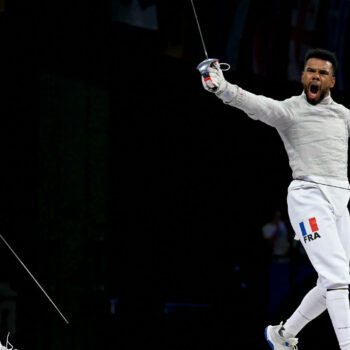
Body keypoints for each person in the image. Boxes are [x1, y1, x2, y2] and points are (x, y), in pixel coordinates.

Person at [200, 48, 350, 350]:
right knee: (336, 280)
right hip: (308, 198)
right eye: (311, 71)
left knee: (334, 280)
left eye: (322, 73)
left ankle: (281, 335)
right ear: (303, 75)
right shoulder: (290, 111)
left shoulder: (344, 116)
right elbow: (256, 105)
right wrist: (222, 87)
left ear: (331, 81)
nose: (315, 76)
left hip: (340, 202)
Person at [262, 210, 291, 318]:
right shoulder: (267, 228)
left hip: (286, 261)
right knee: (274, 289)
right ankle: (272, 314)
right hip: (275, 262)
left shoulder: (283, 224)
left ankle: (284, 312)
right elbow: (269, 242)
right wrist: (277, 229)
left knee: (285, 287)